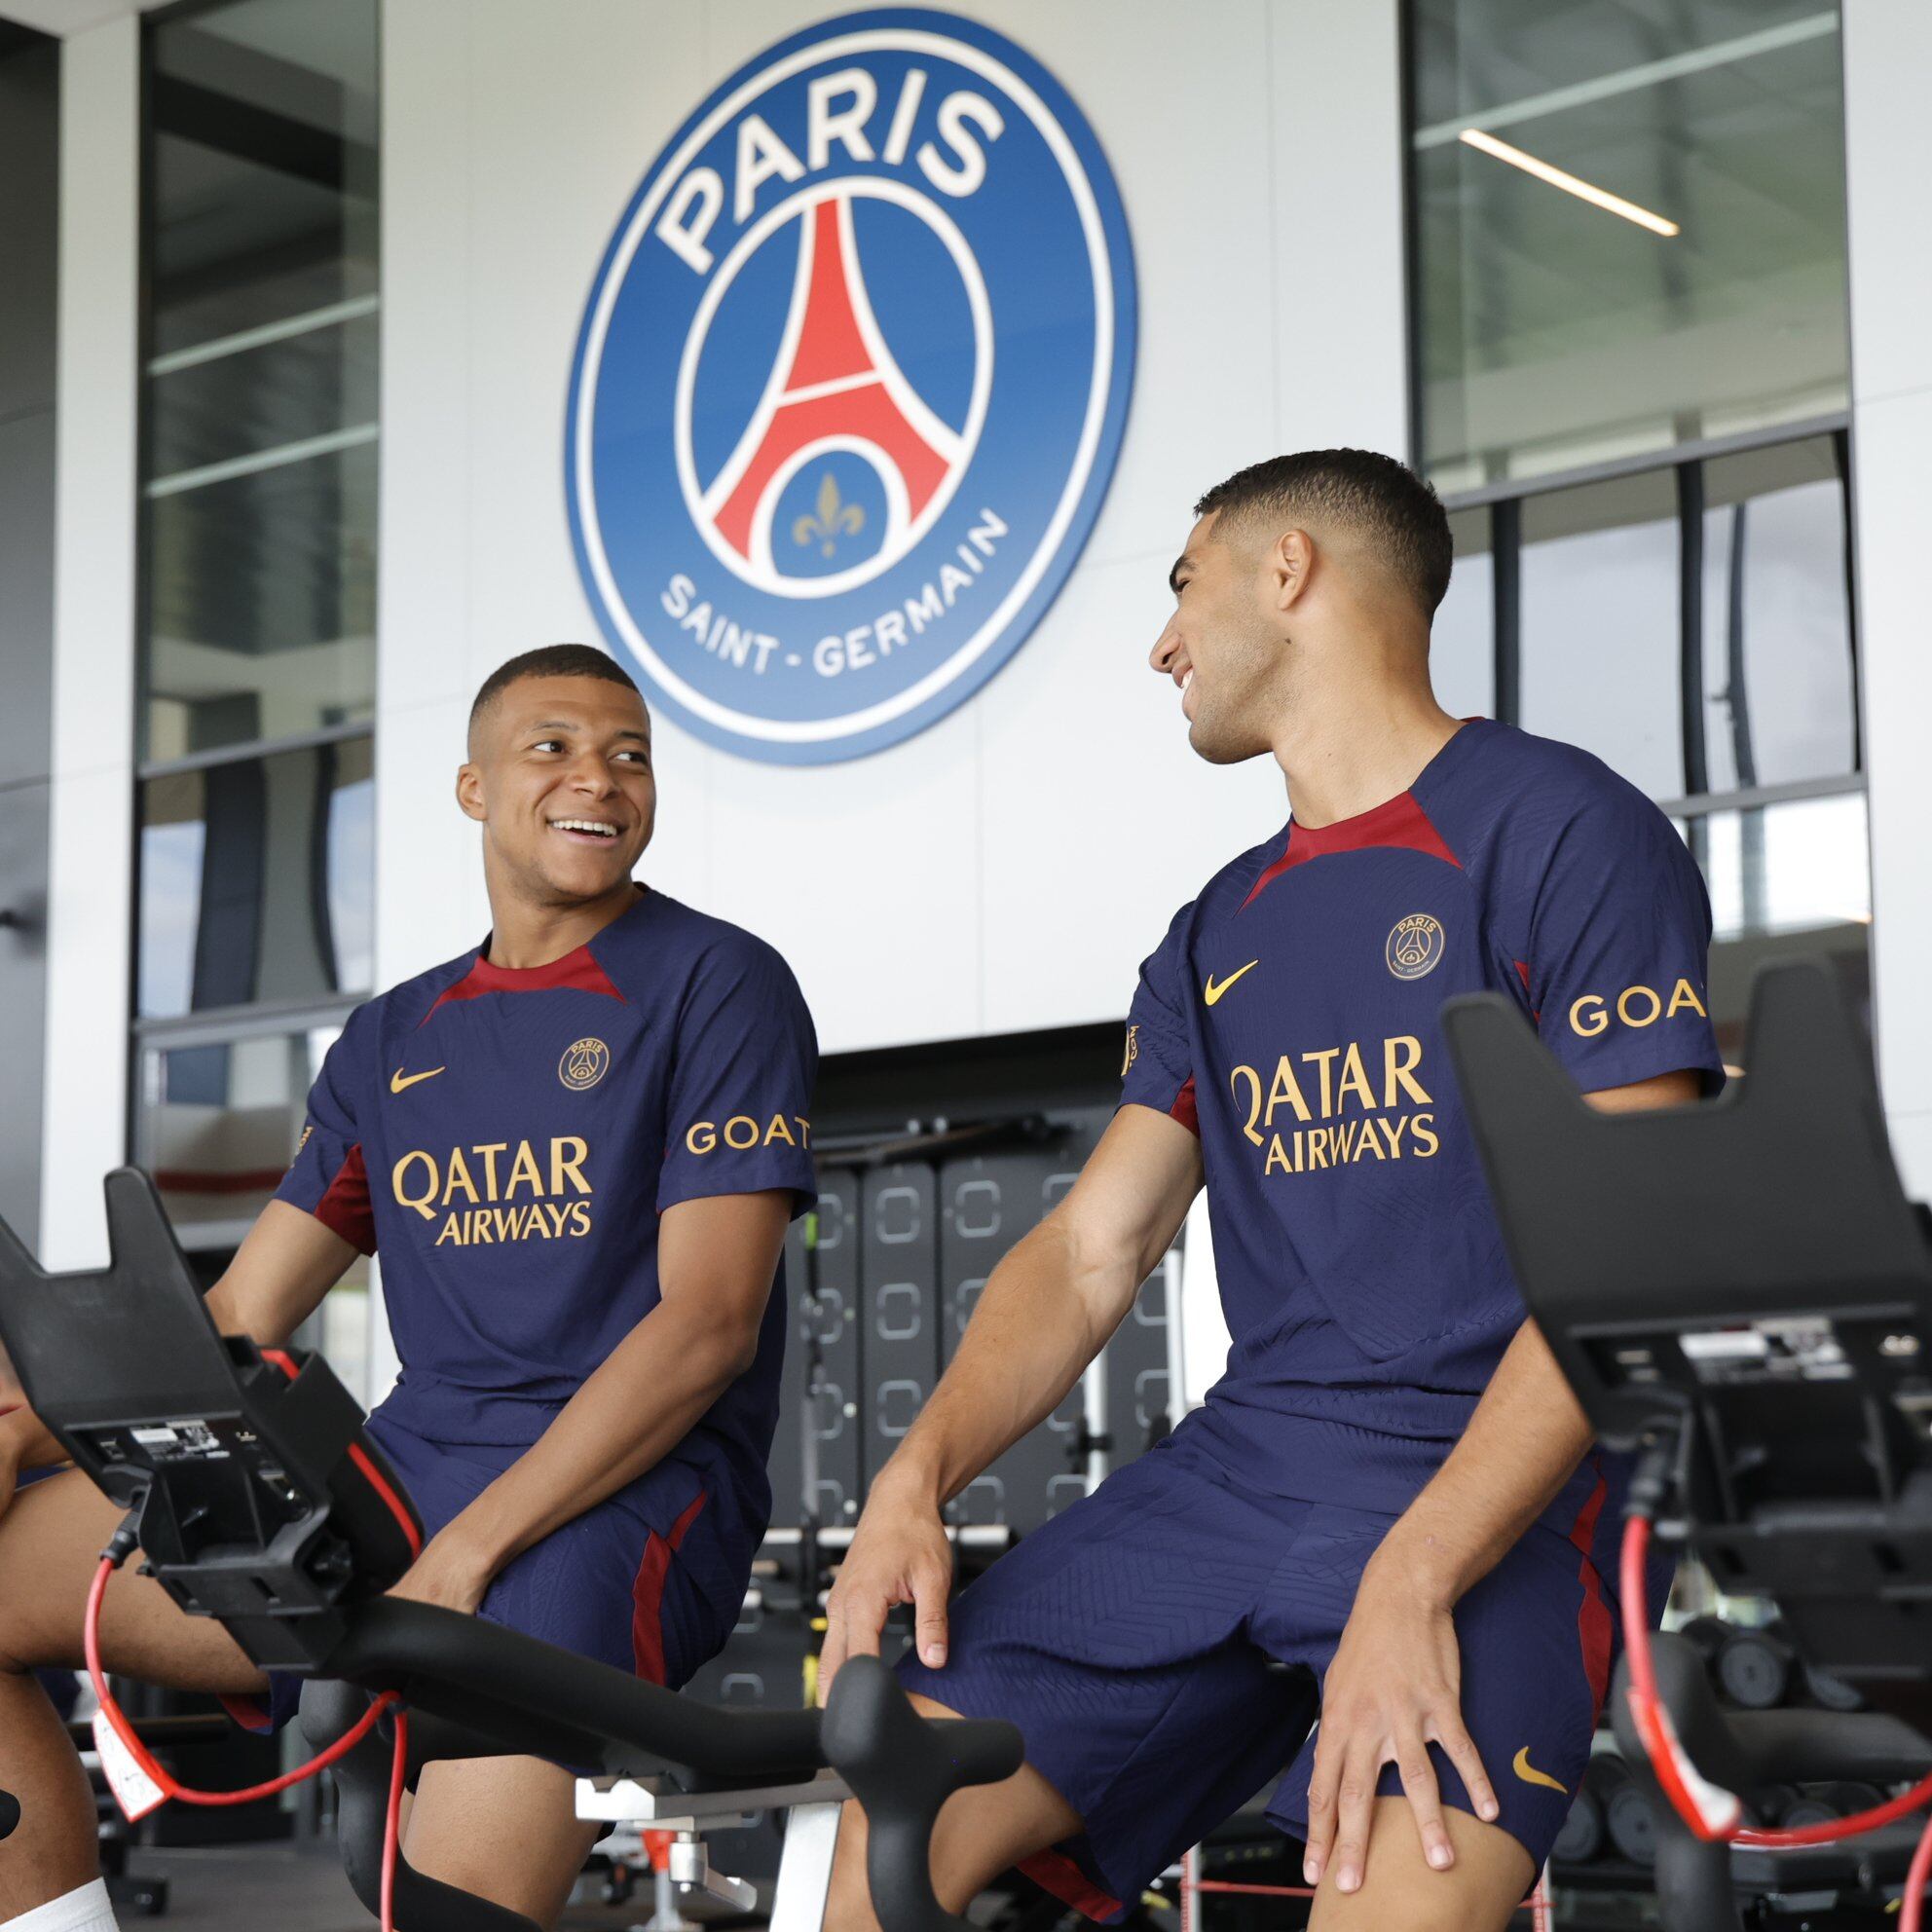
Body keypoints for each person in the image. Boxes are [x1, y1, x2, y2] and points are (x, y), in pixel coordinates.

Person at [820, 450, 1722, 1931]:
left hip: (1496, 1468)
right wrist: (914, 1475)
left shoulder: (1565, 831)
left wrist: (1417, 1570)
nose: (1164, 641)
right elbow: (1095, 1247)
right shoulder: (1214, 929)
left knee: (1390, 1880)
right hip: (1247, 1467)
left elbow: (1630, 1247)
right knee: (893, 1818)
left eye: (1184, 586)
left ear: (1287, 569)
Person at [0, 644, 818, 1932]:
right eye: (551, 746)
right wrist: (20, 1427)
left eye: (629, 754)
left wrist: (470, 1554)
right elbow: (241, 1314)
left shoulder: (718, 983)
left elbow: (709, 1328)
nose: (595, 776)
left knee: (447, 1918)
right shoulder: (395, 1037)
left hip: (615, 1499)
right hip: (405, 1473)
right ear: (472, 786)